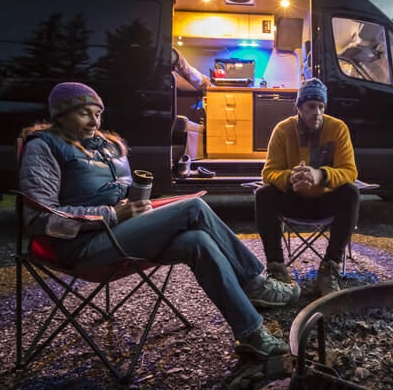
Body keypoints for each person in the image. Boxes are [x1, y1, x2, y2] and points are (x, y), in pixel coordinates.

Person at [19, 82, 300, 360]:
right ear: (60, 115)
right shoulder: (44, 147)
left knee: (197, 241)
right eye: (84, 113)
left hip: (123, 234)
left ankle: (250, 333)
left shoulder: (107, 147)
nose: (94, 121)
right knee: (194, 208)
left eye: (98, 113)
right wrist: (115, 214)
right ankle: (255, 284)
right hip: (82, 246)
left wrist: (137, 202)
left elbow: (118, 194)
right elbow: (40, 218)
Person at [255, 78, 359, 296]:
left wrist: (320, 175)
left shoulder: (338, 128)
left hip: (325, 199)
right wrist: (292, 179)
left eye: (321, 107)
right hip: (294, 199)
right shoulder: (283, 130)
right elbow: (269, 172)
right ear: (299, 108)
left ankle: (329, 269)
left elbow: (350, 171)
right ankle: (276, 269)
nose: (317, 112)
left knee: (351, 193)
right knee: (263, 194)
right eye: (311, 106)